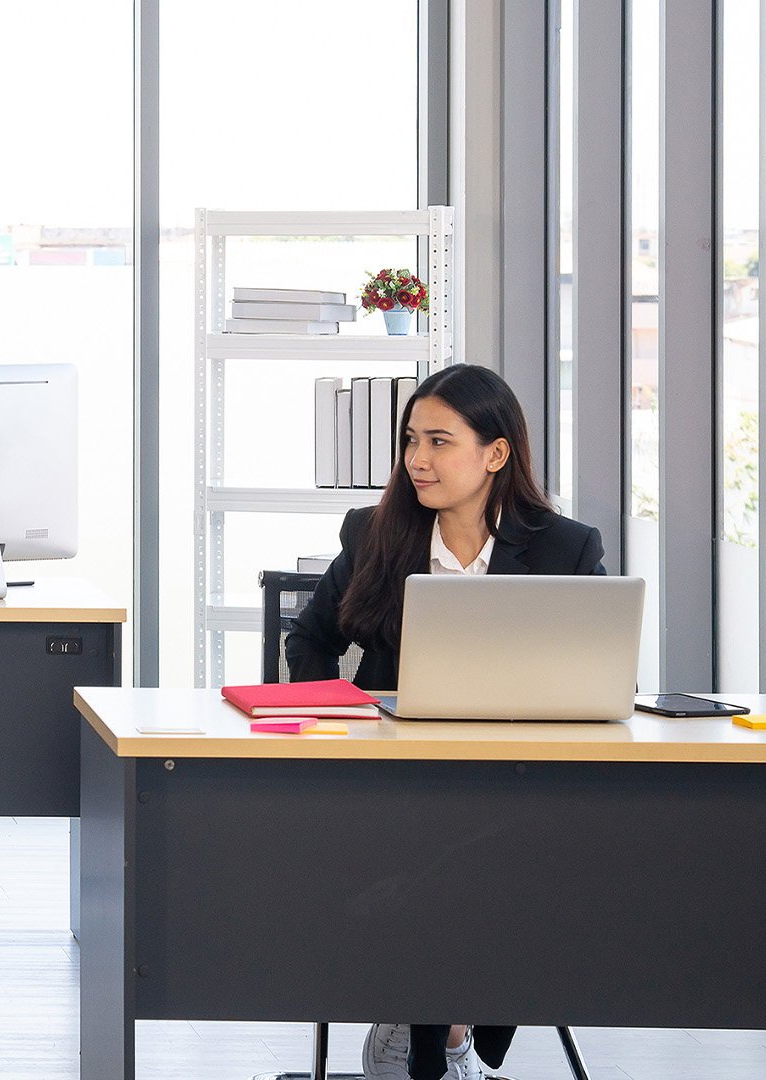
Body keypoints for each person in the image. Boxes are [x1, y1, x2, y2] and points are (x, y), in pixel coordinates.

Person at [284, 363, 604, 1080]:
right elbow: (309, 641)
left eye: (438, 441)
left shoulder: (565, 547)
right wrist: (343, 720)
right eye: (409, 441)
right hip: (391, 776)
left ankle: (441, 1024)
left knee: (525, 854)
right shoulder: (375, 533)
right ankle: (440, 1037)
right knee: (443, 853)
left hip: (516, 779)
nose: (416, 460)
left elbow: (596, 671)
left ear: (495, 453)